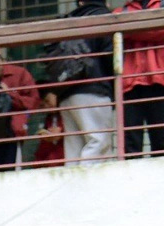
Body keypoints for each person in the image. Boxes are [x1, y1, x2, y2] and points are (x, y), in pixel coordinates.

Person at [40, 0, 116, 165]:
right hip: (94, 88)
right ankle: (91, 189)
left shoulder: (69, 20)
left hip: (67, 93)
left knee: (74, 151)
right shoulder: (102, 16)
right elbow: (110, 55)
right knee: (98, 143)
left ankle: (74, 189)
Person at [119, 0, 164, 156]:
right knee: (131, 145)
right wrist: (152, 23)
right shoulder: (122, 10)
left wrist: (129, 28)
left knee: (160, 141)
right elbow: (158, 29)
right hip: (131, 82)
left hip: (158, 80)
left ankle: (161, 180)